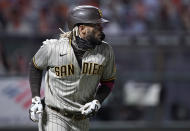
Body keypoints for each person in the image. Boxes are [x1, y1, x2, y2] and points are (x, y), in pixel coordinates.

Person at [29, 5, 116, 131]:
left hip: (82, 118)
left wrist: (97, 101)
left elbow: (108, 81)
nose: (101, 28)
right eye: (96, 25)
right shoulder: (53, 48)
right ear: (82, 29)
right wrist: (36, 98)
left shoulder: (106, 51)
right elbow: (35, 66)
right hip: (54, 115)